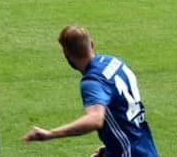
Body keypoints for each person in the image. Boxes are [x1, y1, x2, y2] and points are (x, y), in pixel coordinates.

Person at [21, 25, 159, 156]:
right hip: (145, 148)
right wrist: (111, 146)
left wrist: (50, 134)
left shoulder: (92, 81)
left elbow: (95, 119)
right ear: (92, 44)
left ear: (66, 54)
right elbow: (125, 109)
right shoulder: (115, 63)